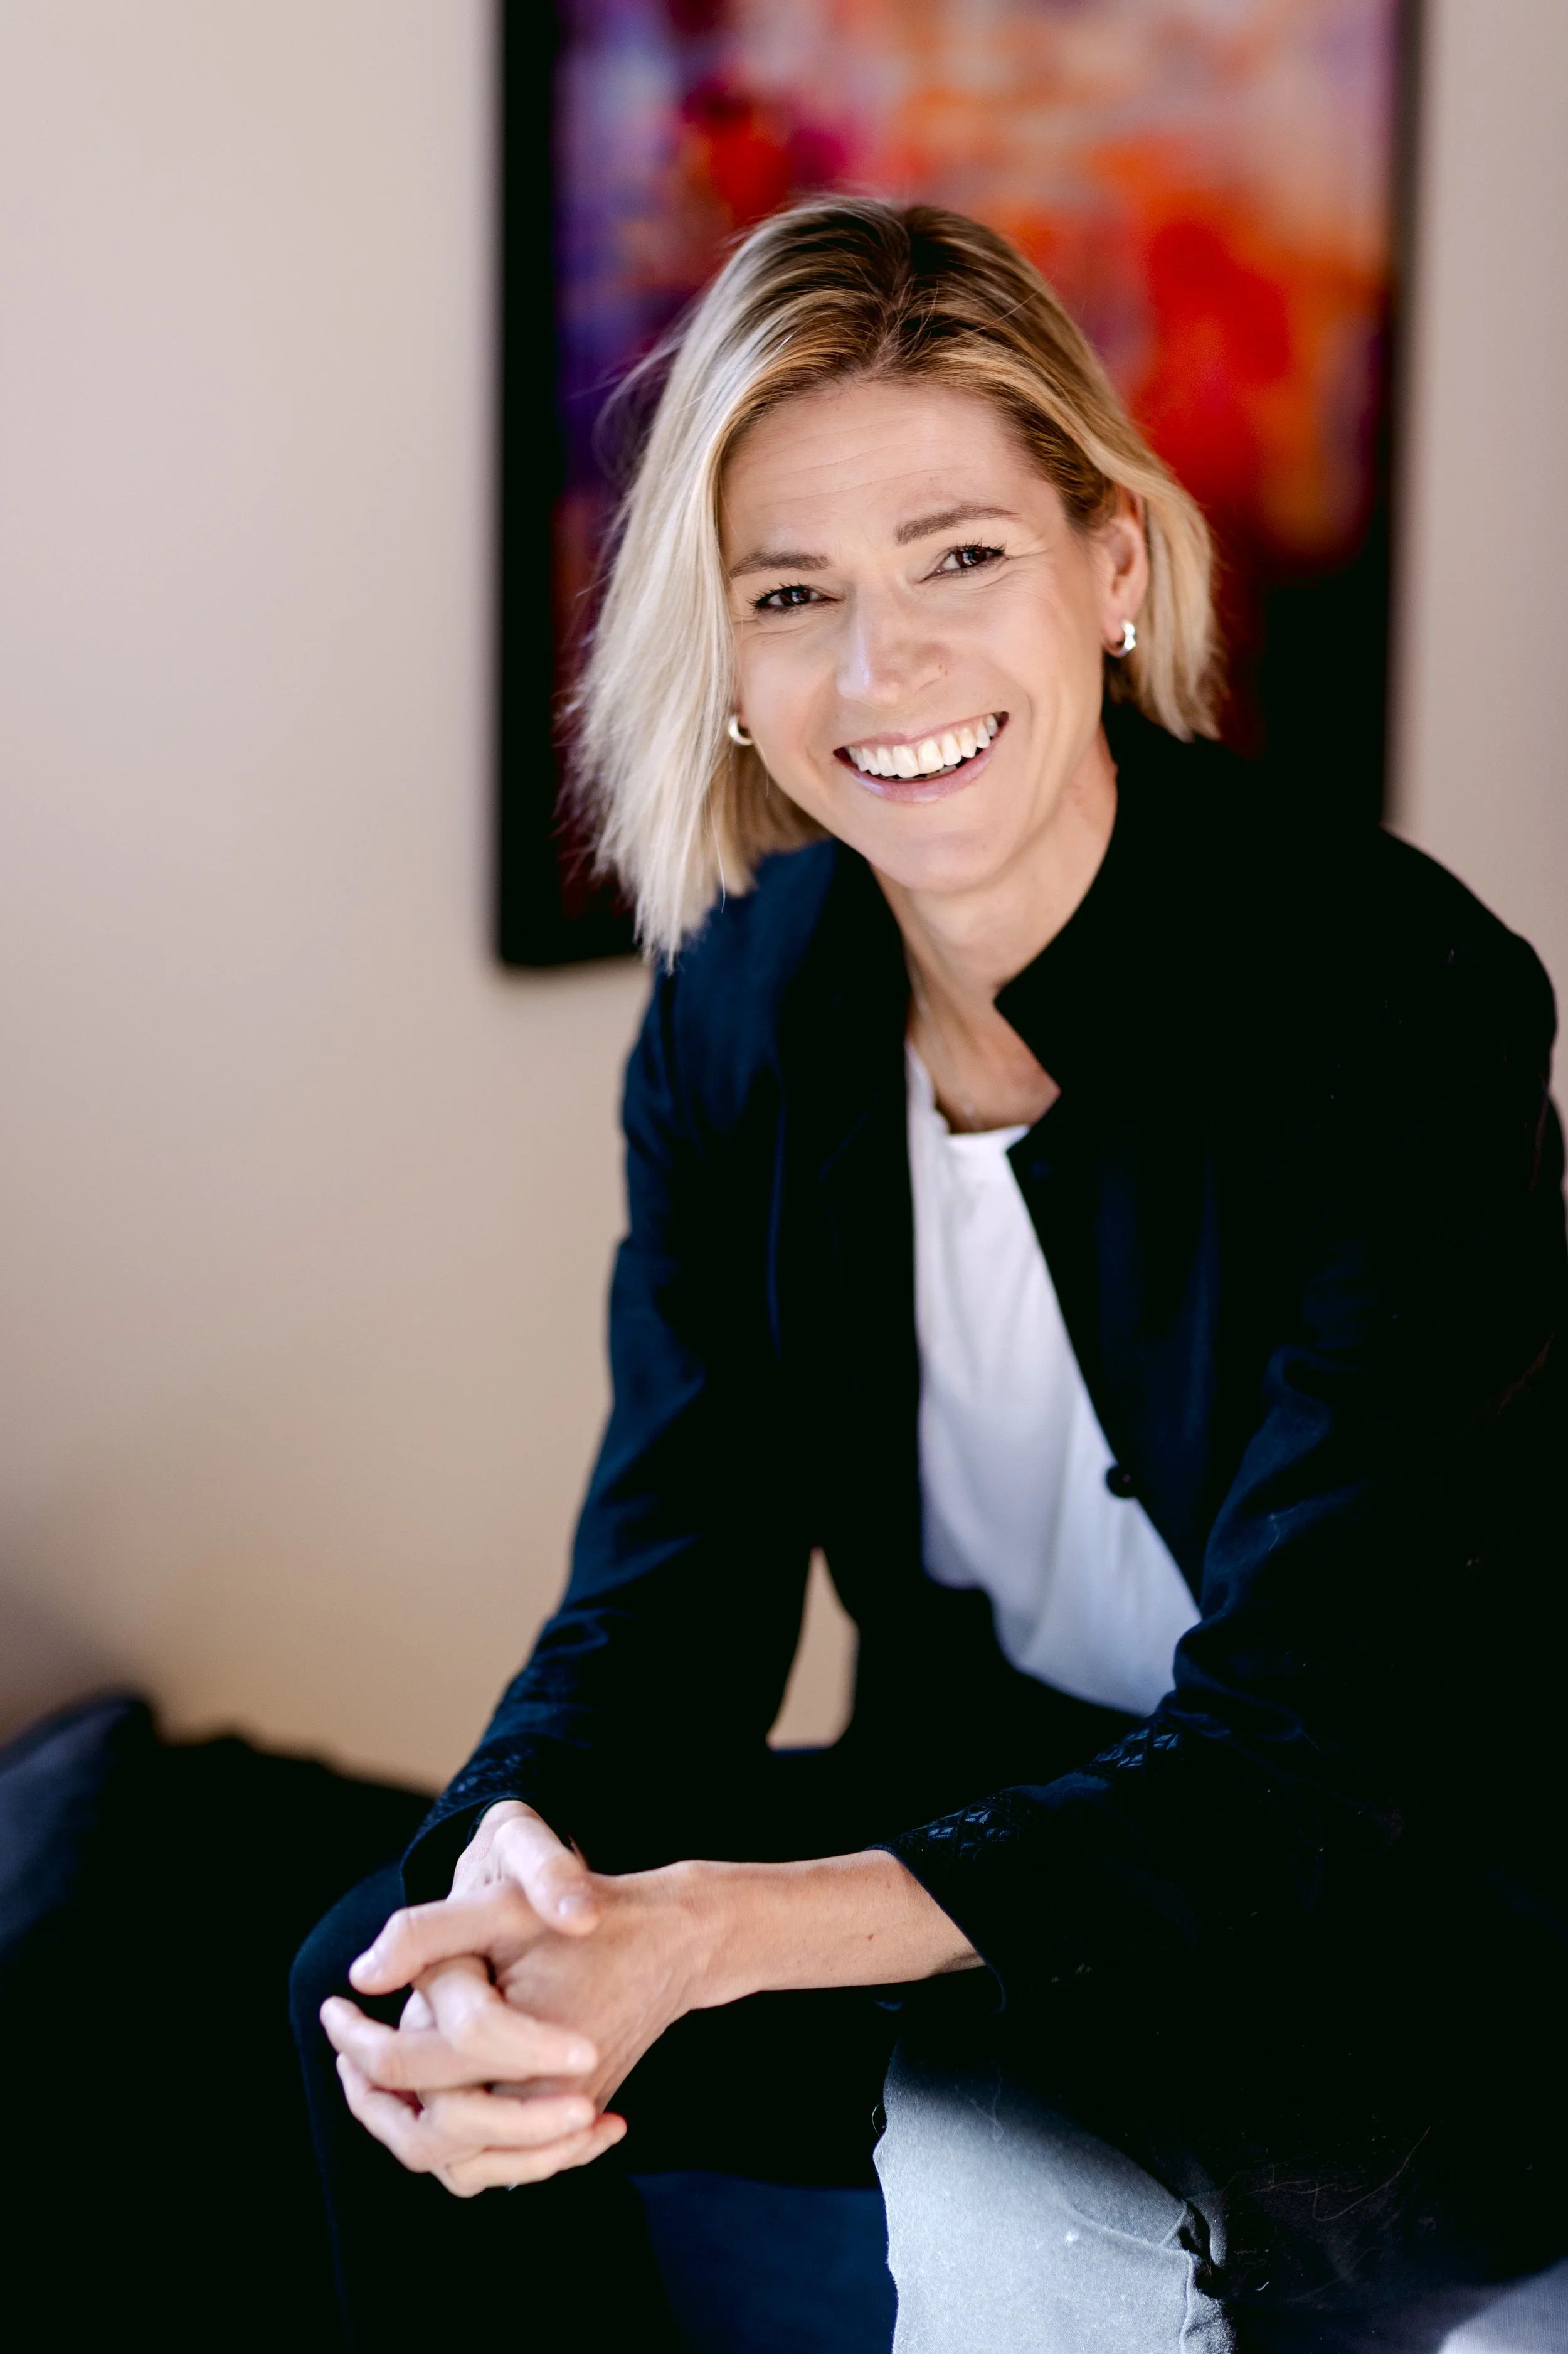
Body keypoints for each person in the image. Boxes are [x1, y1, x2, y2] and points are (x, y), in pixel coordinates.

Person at [291, 200, 1568, 2351]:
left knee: (995, 2112)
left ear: (1112, 573)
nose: (878, 672)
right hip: (1001, 1822)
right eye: (793, 595)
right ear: (728, 654)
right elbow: (667, 1607)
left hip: (1396, 1906)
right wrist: (506, 1875)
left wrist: (715, 1933)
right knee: (398, 1980)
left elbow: (1304, 1759)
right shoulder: (740, 1016)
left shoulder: (1388, 1009)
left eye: (958, 556)